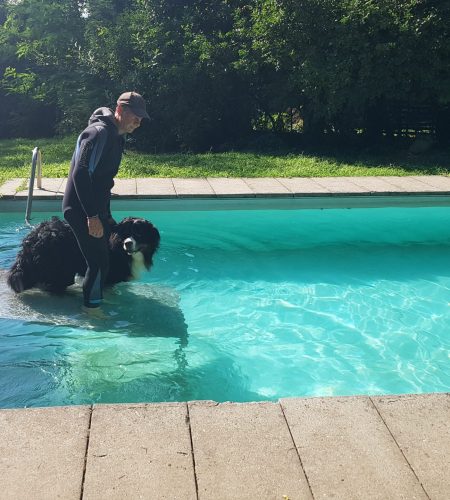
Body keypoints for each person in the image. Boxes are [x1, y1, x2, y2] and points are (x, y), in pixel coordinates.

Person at [62, 91, 149, 316]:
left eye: (141, 118)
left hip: (95, 209)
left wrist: (106, 214)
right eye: (134, 116)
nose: (138, 122)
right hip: (80, 208)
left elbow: (103, 182)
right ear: (120, 110)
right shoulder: (97, 133)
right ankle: (91, 311)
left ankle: (95, 297)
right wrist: (92, 216)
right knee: (98, 262)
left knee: (104, 257)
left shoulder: (117, 136)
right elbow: (80, 174)